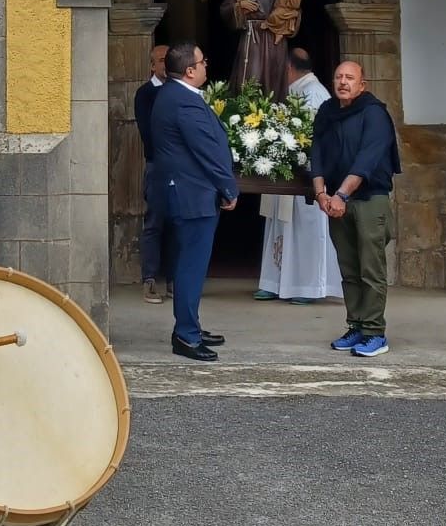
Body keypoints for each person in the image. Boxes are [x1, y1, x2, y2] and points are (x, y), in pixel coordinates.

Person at [148, 41, 237, 363]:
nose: (205, 66)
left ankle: (191, 326)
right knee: (190, 266)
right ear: (189, 70)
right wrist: (229, 187)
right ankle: (185, 335)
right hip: (192, 193)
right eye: (202, 62)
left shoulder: (174, 95)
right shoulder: (183, 100)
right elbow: (207, 149)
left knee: (190, 265)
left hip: (187, 191)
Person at [309, 60, 402, 358]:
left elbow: (367, 159)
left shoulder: (374, 114)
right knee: (349, 268)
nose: (343, 82)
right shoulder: (327, 111)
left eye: (350, 78)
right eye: (338, 77)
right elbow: (317, 151)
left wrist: (341, 195)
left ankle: (375, 332)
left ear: (363, 84)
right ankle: (357, 325)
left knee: (370, 268)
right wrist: (320, 193)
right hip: (336, 201)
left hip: (367, 200)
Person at [256, 47, 342, 305]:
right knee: (281, 226)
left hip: (308, 176)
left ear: (288, 69)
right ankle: (275, 282)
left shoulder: (315, 94)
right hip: (288, 173)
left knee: (305, 230)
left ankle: (307, 286)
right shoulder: (296, 91)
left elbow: (317, 139)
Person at [134, 42, 170, 304]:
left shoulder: (179, 91)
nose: (166, 64)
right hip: (158, 164)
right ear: (152, 65)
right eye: (161, 60)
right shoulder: (145, 94)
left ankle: (172, 280)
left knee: (177, 222)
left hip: (178, 168)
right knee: (154, 222)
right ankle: (149, 280)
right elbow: (148, 133)